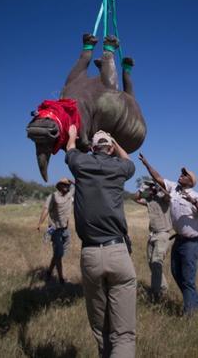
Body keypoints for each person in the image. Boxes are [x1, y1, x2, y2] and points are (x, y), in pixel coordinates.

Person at [66, 126, 136, 358]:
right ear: (110, 148)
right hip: (118, 252)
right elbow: (128, 159)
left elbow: (71, 149)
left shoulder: (81, 165)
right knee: (123, 335)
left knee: (101, 328)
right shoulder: (119, 168)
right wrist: (116, 143)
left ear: (93, 148)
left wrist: (72, 135)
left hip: (90, 256)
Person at [138, 153, 198, 315]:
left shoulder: (197, 196)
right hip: (178, 240)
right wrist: (146, 164)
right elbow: (158, 178)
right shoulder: (174, 190)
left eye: (184, 175)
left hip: (191, 243)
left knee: (188, 278)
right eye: (181, 173)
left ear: (190, 181)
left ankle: (189, 312)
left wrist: (194, 202)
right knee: (176, 273)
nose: (181, 175)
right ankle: (197, 303)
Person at [133, 179, 173, 301]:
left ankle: (156, 294)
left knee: (156, 263)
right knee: (152, 263)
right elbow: (135, 198)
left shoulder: (164, 199)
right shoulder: (149, 200)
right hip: (152, 235)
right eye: (150, 187)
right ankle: (163, 288)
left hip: (162, 235)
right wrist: (142, 188)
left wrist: (159, 186)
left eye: (152, 187)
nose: (151, 189)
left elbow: (168, 196)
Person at [37, 177, 73, 284]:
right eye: (63, 184)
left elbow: (77, 184)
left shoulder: (70, 195)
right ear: (59, 186)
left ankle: (48, 272)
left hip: (65, 230)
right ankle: (61, 279)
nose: (66, 186)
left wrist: (70, 180)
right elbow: (46, 209)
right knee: (59, 253)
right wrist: (39, 223)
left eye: (67, 185)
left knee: (59, 254)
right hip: (54, 229)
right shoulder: (53, 196)